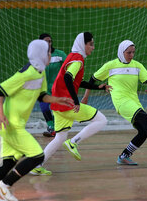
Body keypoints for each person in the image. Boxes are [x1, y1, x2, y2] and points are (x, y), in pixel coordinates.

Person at [0, 39, 73, 201]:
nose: (50, 55)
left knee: (8, 162)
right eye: (48, 52)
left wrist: (59, 99)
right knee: (37, 156)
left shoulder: (40, 72)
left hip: (14, 124)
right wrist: (0, 114)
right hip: (10, 124)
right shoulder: (26, 73)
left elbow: (41, 95)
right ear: (40, 55)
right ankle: (5, 185)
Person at [81, 40, 147, 166]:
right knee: (143, 117)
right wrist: (86, 97)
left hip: (134, 102)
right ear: (121, 52)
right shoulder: (110, 66)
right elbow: (92, 80)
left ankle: (124, 156)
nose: (131, 55)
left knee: (143, 131)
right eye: (128, 52)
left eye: (133, 52)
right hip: (121, 102)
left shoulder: (137, 66)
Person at [31, 32, 111, 175]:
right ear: (83, 44)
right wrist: (75, 101)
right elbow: (68, 78)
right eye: (90, 44)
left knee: (60, 137)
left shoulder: (71, 56)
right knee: (101, 120)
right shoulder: (78, 59)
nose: (93, 47)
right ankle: (74, 142)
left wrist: (97, 87)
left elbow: (75, 81)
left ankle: (37, 165)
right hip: (67, 104)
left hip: (58, 103)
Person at [39, 33, 67, 137]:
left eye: (50, 41)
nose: (49, 43)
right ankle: (50, 126)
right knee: (45, 108)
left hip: (57, 88)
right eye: (46, 41)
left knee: (56, 109)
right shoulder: (38, 56)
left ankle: (55, 128)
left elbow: (68, 66)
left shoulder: (60, 54)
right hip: (43, 88)